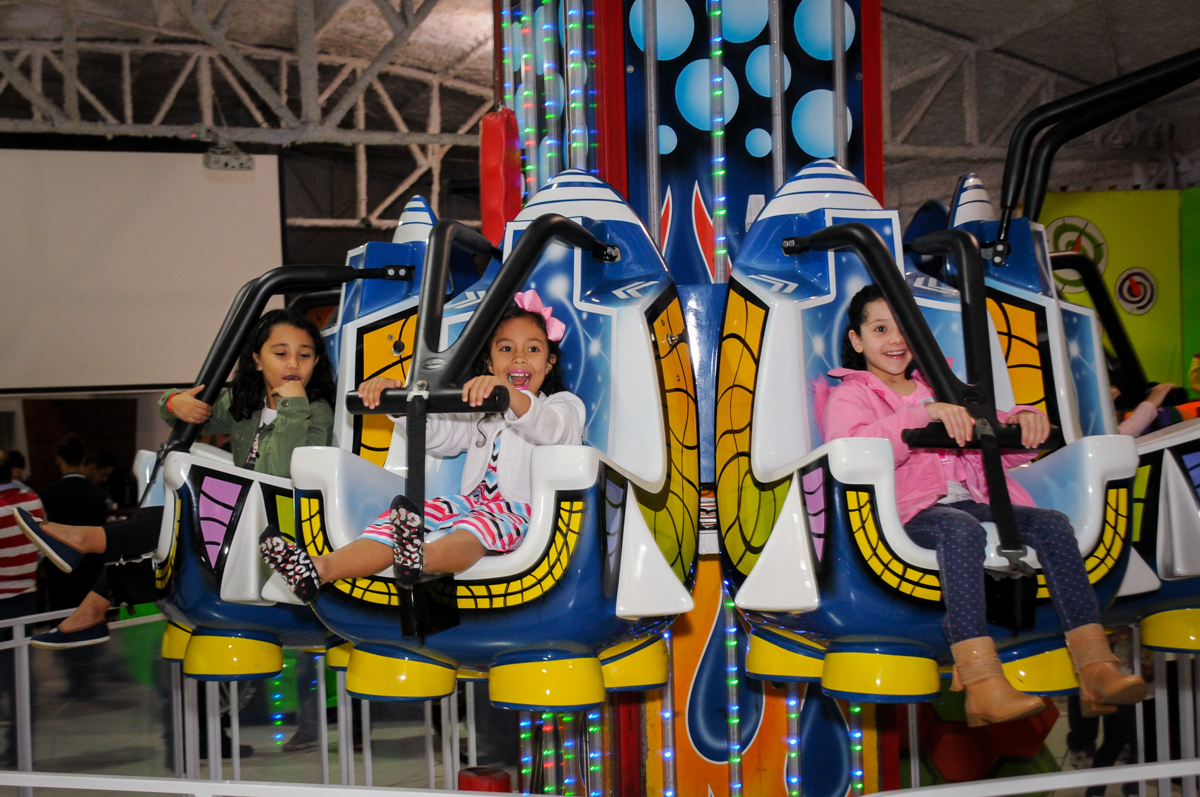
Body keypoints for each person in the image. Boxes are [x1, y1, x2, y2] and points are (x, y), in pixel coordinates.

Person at [818, 284, 1144, 727]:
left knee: (1051, 524)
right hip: (903, 512)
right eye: (880, 329)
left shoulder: (942, 386)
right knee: (959, 529)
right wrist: (922, 415)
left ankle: (1095, 665)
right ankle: (979, 679)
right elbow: (848, 448)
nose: (895, 340)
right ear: (857, 341)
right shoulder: (852, 395)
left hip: (971, 500)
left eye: (905, 328)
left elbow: (994, 440)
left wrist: (1023, 421)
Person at [13, 309, 336, 648]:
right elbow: (181, 413)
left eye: (304, 355)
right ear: (257, 360)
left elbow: (277, 477)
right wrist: (174, 403)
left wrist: (293, 409)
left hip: (280, 523)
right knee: (162, 520)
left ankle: (84, 544)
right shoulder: (245, 404)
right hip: (239, 518)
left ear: (316, 362)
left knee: (176, 522)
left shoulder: (315, 411)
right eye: (281, 353)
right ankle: (91, 609)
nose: (293, 364)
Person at [260, 290, 584, 598]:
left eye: (533, 350)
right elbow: (439, 435)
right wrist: (399, 403)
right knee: (409, 517)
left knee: (479, 526)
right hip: (471, 503)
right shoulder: (483, 414)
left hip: (525, 512)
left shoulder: (563, 405)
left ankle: (420, 559)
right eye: (506, 349)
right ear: (489, 363)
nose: (519, 359)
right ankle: (319, 568)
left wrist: (510, 394)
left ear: (550, 363)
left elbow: (552, 429)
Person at [0, 456, 43, 763]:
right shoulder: (33, 502)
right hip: (26, 597)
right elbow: (42, 548)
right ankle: (19, 744)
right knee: (19, 675)